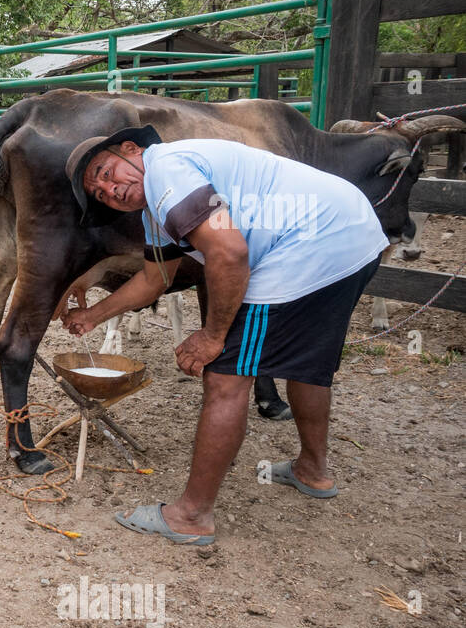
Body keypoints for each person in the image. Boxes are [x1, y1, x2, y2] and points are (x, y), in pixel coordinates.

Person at [61, 125, 387, 545]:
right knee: (306, 365)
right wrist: (92, 315)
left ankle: (191, 516)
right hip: (353, 232)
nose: (111, 191)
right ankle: (313, 471)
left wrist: (212, 336)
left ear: (131, 149)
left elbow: (230, 254)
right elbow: (155, 279)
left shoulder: (167, 171)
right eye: (101, 194)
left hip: (307, 243)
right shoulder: (159, 210)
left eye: (106, 173)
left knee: (225, 376)